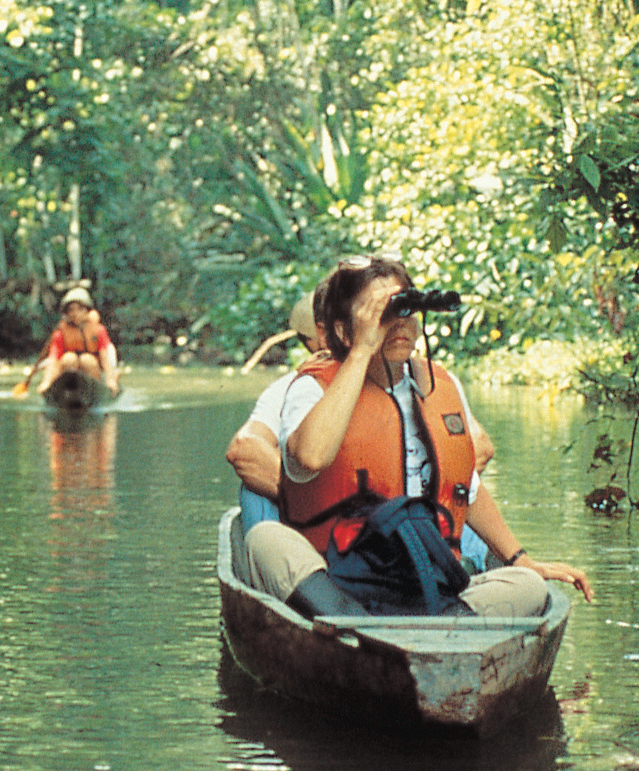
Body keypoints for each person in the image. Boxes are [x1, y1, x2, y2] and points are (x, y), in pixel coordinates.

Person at [245, 256, 592, 617]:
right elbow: (309, 459)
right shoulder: (313, 389)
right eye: (380, 314)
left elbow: (464, 487)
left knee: (528, 587)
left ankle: (441, 625)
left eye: (406, 310)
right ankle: (354, 624)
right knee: (265, 539)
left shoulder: (438, 384)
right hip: (337, 578)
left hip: (426, 579)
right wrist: (362, 349)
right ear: (345, 331)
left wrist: (522, 559)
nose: (398, 324)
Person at [227, 292, 325, 534]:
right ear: (319, 338)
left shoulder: (403, 381)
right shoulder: (291, 386)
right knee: (254, 490)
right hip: (323, 512)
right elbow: (243, 448)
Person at [35, 286, 120, 398]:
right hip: (69, 373)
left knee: (87, 360)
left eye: (80, 309)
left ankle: (95, 393)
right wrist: (47, 382)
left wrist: (110, 380)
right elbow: (54, 359)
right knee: (69, 359)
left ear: (87, 311)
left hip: (94, 370)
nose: (75, 313)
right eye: (71, 310)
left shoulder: (98, 330)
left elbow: (105, 359)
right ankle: (67, 393)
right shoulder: (60, 333)